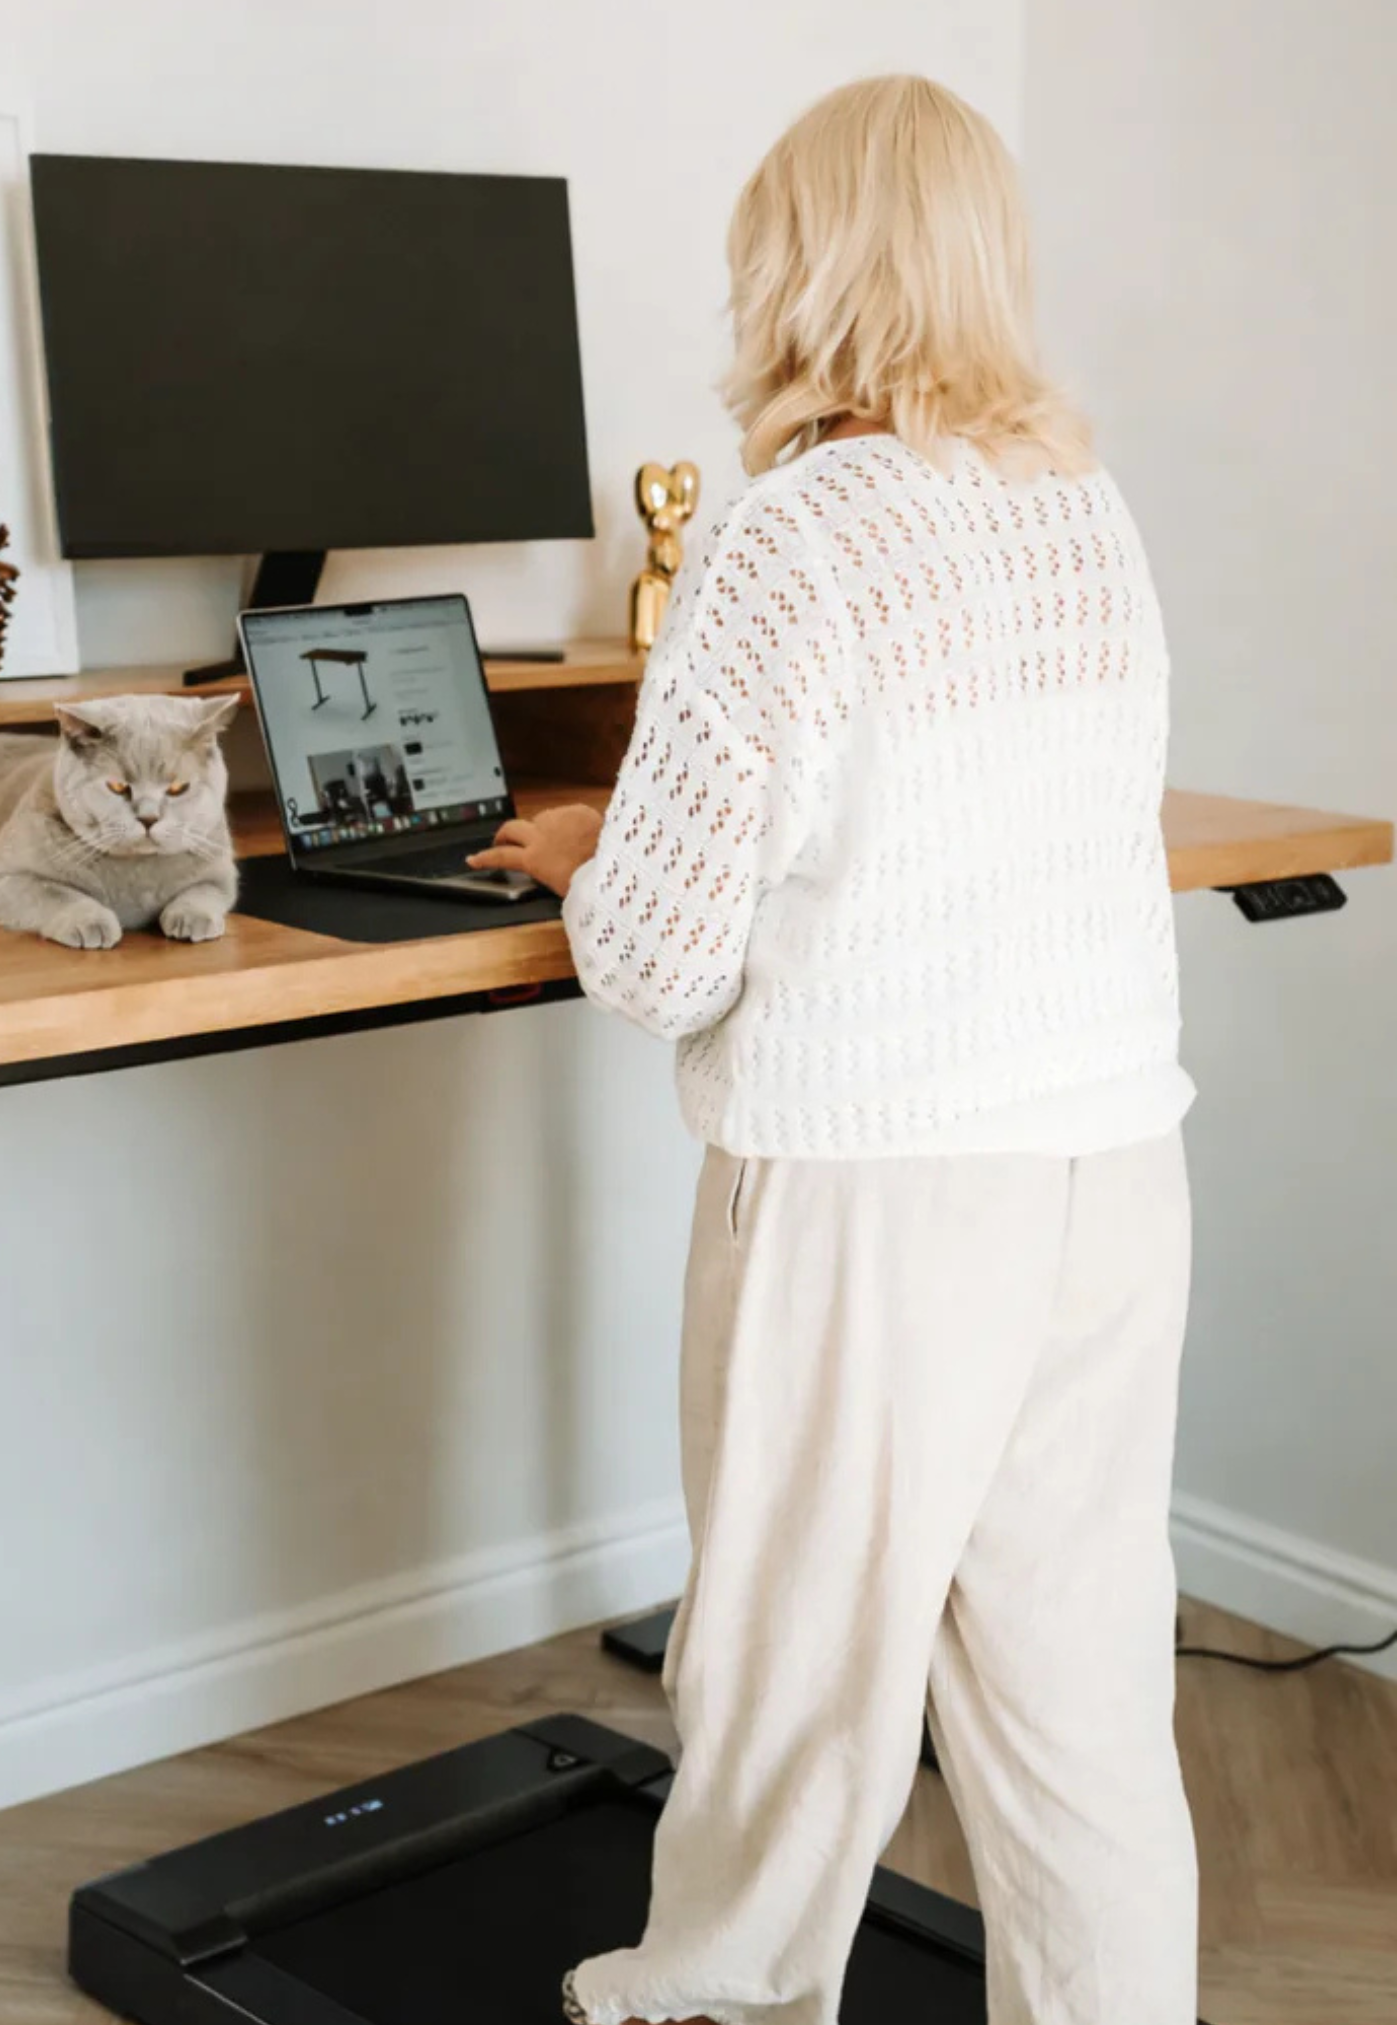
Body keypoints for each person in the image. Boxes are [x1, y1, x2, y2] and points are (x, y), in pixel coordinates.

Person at [469, 74, 1198, 2025]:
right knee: (1075, 1697)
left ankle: (714, 1997)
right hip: (1109, 1170)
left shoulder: (795, 536)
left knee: (791, 1690)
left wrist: (592, 854)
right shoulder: (1080, 508)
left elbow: (648, 953)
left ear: (794, 269)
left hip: (876, 1190)